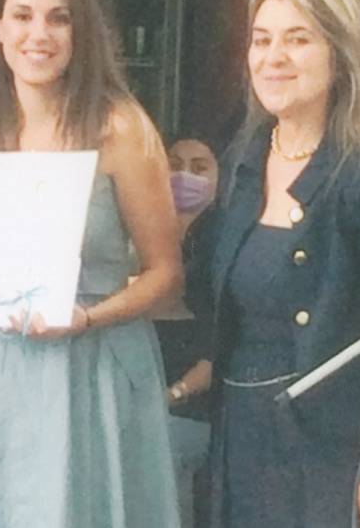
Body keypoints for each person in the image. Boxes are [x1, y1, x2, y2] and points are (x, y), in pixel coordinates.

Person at [0, 0, 184, 528]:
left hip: (94, 370)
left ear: (81, 31)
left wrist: (88, 317)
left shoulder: (121, 129)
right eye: (23, 15)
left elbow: (166, 274)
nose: (39, 34)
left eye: (59, 18)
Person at [206, 0, 360, 528]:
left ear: (341, 55)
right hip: (241, 433)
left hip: (334, 448)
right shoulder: (243, 158)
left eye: (298, 39)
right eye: (262, 40)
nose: (273, 57)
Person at [154, 137, 218, 528]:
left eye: (199, 167)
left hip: (189, 414)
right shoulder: (139, 237)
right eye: (175, 164)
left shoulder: (222, 248)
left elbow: (220, 350)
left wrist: (172, 395)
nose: (184, 176)